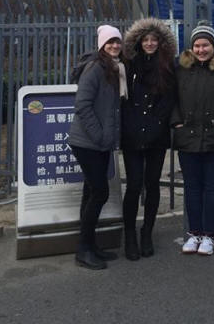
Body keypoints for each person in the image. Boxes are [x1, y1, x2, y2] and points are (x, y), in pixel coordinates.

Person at [171, 21, 214, 256]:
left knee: (213, 188)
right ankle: (193, 233)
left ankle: (209, 235)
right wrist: (177, 124)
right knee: (192, 188)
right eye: (197, 45)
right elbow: (172, 98)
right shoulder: (182, 69)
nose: (201, 50)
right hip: (188, 137)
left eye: (205, 45)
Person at [70, 24, 127, 269]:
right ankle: (83, 249)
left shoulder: (114, 68)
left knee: (91, 192)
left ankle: (89, 245)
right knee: (100, 192)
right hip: (88, 143)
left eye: (117, 42)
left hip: (100, 144)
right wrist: (100, 136)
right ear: (102, 45)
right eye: (110, 42)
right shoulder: (95, 68)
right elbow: (82, 105)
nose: (114, 46)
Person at [121, 17, 177, 261]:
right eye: (146, 39)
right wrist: (131, 126)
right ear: (138, 42)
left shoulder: (167, 66)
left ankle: (147, 232)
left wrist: (156, 125)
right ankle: (129, 234)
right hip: (132, 135)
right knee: (134, 185)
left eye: (154, 39)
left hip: (156, 135)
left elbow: (169, 100)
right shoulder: (128, 65)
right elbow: (123, 100)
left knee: (152, 184)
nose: (150, 43)